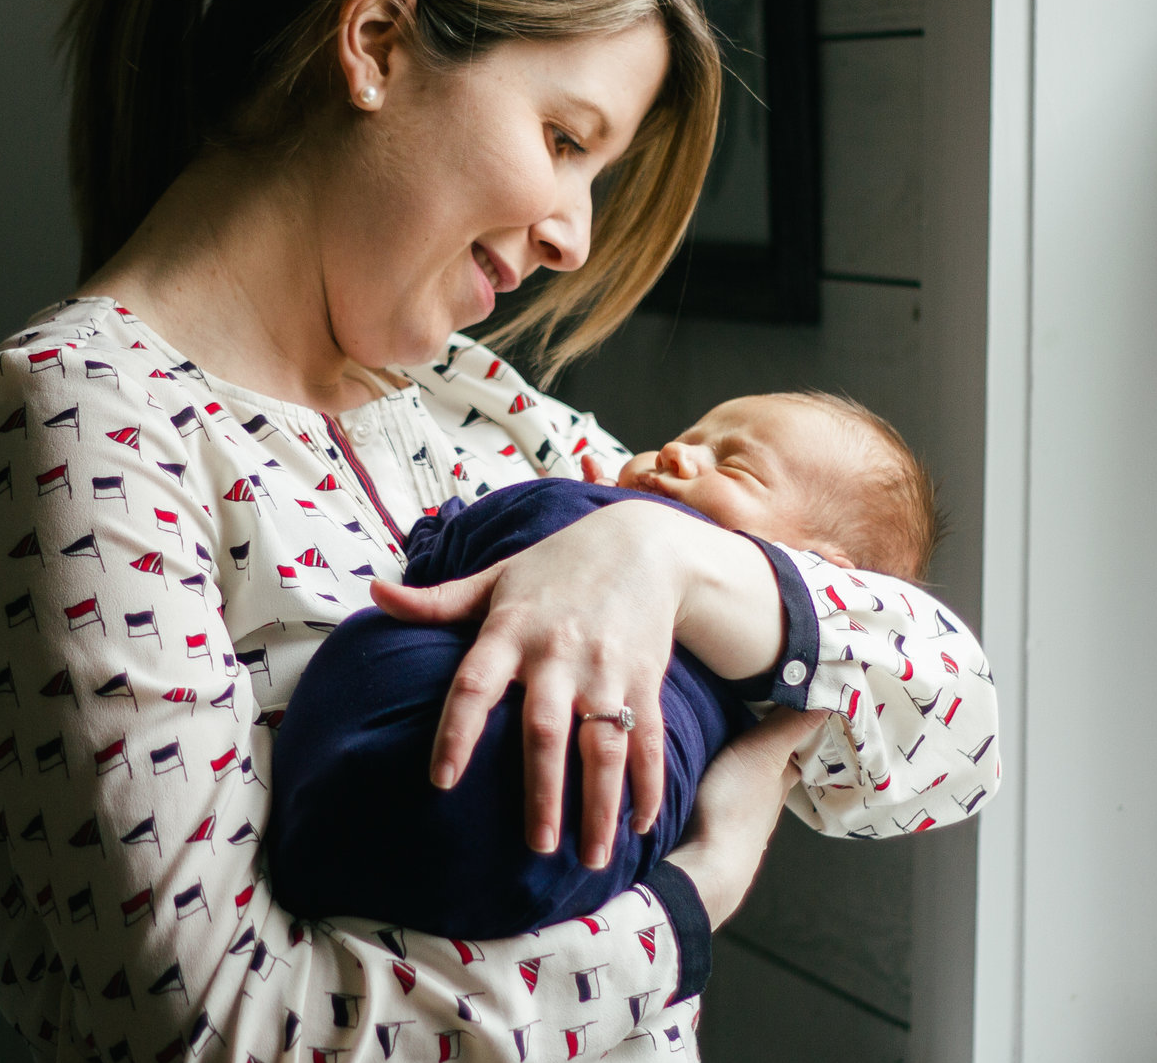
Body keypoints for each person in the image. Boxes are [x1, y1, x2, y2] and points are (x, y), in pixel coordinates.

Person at [0, 0, 998, 1063]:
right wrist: (686, 902)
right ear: (378, 40)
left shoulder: (486, 423)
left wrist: (666, 570)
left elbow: (958, 739)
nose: (571, 233)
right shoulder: (79, 429)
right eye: (565, 139)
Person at [269, 392, 1001, 940]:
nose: (677, 454)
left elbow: (963, 718)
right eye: (685, 438)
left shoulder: (817, 664)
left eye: (734, 464)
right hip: (536, 897)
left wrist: (618, 529)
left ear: (824, 577)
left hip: (440, 806)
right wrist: (702, 884)